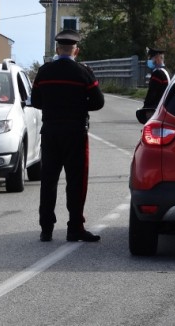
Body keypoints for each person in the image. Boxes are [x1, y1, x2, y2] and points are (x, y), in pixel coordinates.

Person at [30, 29, 105, 242]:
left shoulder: (44, 72)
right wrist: (80, 105)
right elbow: (98, 102)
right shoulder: (83, 72)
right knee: (76, 181)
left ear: (57, 49)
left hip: (51, 132)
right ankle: (75, 228)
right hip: (75, 133)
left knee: (48, 181)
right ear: (76, 51)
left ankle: (46, 229)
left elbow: (35, 102)